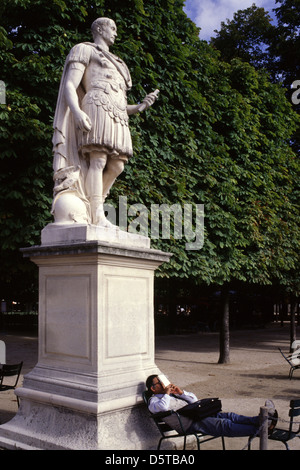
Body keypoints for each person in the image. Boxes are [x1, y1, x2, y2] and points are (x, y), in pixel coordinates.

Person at [52, 17, 158, 226]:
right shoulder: (84, 49)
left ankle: (93, 205)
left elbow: (121, 101)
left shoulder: (118, 62)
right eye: (113, 28)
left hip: (117, 112)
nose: (116, 33)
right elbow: (70, 85)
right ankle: (98, 213)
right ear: (99, 29)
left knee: (118, 165)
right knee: (98, 159)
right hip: (96, 104)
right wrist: (77, 111)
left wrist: (140, 107)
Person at [146, 375, 278, 438]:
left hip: (197, 415)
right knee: (224, 424)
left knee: (230, 416)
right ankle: (262, 430)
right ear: (153, 388)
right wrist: (167, 394)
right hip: (189, 424)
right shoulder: (154, 402)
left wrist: (181, 393)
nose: (165, 384)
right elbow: (163, 408)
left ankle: (263, 420)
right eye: (160, 382)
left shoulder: (171, 395)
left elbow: (194, 400)